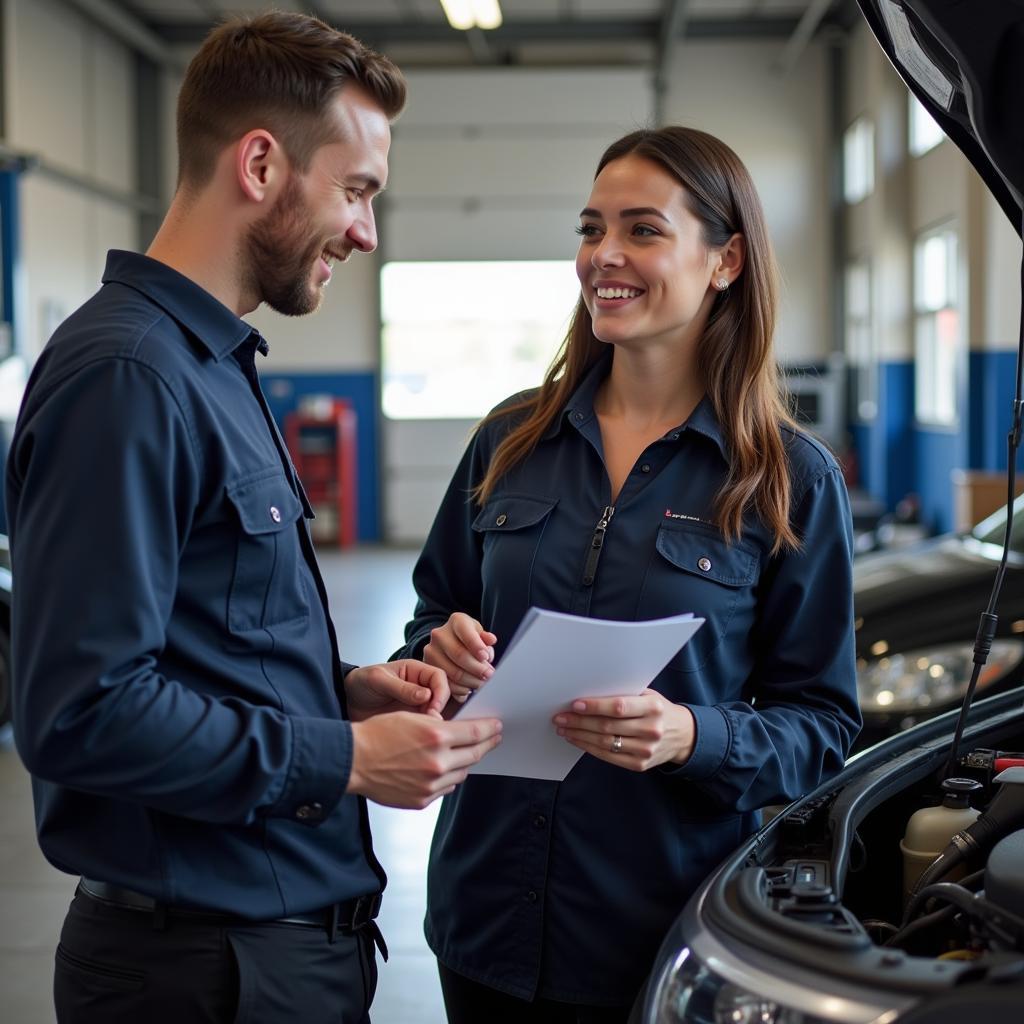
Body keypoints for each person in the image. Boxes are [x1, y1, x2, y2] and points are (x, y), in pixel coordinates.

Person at [5, 12, 502, 1024]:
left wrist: (343, 693)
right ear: (262, 164)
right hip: (199, 970)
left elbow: (201, 645)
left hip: (268, 949)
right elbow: (80, 711)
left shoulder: (210, 364)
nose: (365, 230)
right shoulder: (129, 376)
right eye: (356, 191)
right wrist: (348, 759)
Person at [394, 125, 862, 1022]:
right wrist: (436, 654)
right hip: (485, 917)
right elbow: (428, 619)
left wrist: (693, 734)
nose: (603, 255)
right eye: (590, 228)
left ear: (725, 261)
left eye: (642, 229)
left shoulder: (786, 480)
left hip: (657, 934)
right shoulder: (509, 442)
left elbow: (822, 727)